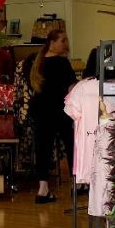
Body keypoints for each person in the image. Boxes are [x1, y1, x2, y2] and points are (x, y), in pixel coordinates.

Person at [28, 29, 77, 204]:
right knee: (71, 145)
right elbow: (72, 88)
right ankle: (77, 182)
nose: (66, 44)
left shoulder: (36, 62)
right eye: (63, 40)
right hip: (60, 110)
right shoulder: (62, 63)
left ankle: (43, 189)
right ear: (52, 42)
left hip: (40, 111)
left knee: (43, 149)